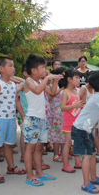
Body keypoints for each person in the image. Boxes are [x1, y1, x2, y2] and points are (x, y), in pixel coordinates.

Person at [0, 57, 26, 184]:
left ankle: (11, 167)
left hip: (11, 120)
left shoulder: (13, 85)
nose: (13, 68)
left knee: (8, 144)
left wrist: (23, 116)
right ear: (1, 69)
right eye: (10, 66)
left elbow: (17, 102)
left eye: (13, 66)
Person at [22, 54, 62, 186]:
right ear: (33, 70)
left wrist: (55, 81)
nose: (45, 70)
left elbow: (52, 92)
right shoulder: (28, 81)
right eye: (43, 67)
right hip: (32, 120)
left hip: (42, 119)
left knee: (39, 147)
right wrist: (48, 78)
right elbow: (38, 91)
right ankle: (30, 175)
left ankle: (39, 172)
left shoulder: (40, 81)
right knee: (30, 148)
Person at [60, 68, 86, 173]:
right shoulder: (65, 92)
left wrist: (81, 105)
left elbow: (77, 106)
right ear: (70, 79)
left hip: (77, 122)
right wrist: (75, 105)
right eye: (77, 77)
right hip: (68, 123)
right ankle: (65, 164)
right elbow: (62, 107)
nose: (79, 80)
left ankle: (77, 161)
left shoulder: (76, 92)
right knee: (68, 142)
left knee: (77, 142)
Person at [48, 67, 67, 162]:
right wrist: (61, 89)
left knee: (63, 135)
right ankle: (56, 154)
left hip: (63, 114)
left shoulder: (64, 85)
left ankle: (64, 153)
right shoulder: (53, 85)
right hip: (55, 114)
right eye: (62, 74)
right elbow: (50, 97)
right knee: (56, 135)